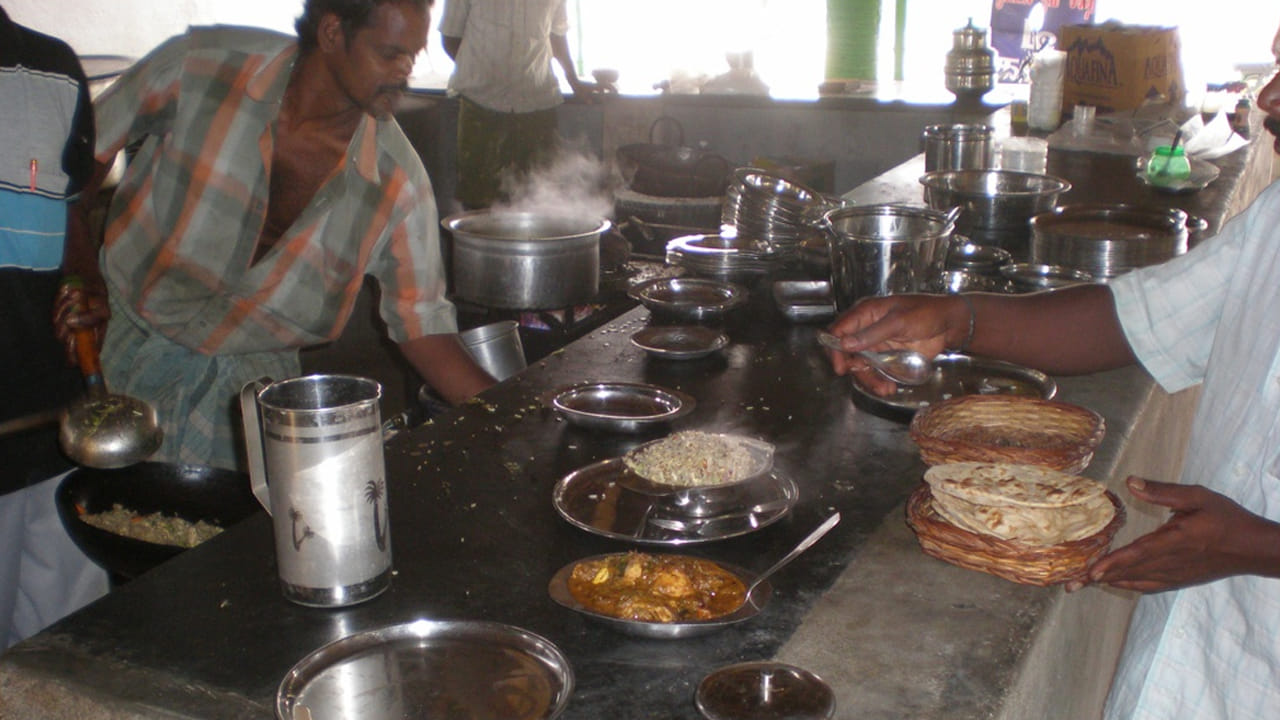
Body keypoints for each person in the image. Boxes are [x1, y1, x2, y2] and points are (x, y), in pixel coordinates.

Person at [822, 52, 1280, 720]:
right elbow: (1136, 321)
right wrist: (959, 319)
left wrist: (1260, 546)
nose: (1269, 97)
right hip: (1199, 665)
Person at [59, 0, 496, 473]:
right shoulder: (202, 68)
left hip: (251, 402)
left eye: (413, 54)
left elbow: (424, 328)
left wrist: (511, 417)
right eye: (389, 53)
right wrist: (82, 272)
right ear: (333, 33)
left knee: (230, 523)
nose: (404, 72)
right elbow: (70, 173)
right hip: (116, 357)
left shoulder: (396, 182)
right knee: (93, 509)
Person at [0, 5, 109, 648]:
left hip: (56, 432)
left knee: (69, 654)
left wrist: (86, 279)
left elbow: (69, 211)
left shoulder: (56, 69)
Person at [438, 0, 601, 209]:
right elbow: (450, 38)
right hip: (481, 107)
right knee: (479, 203)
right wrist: (483, 71)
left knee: (540, 198)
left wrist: (574, 81)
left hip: (537, 105)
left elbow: (556, 34)